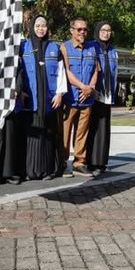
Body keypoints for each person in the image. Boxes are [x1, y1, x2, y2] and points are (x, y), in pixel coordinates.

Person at [20, 15, 67, 180]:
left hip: (50, 102)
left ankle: (48, 170)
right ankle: (30, 171)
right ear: (32, 27)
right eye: (38, 25)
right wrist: (20, 91)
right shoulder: (23, 47)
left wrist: (60, 93)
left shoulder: (54, 47)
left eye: (44, 26)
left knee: (49, 136)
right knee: (31, 137)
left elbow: (61, 72)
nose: (41, 29)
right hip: (30, 102)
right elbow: (17, 71)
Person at [60, 18, 98, 177]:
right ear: (72, 30)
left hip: (87, 100)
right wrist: (83, 87)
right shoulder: (65, 47)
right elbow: (66, 72)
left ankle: (79, 163)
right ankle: (62, 163)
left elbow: (95, 71)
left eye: (85, 29)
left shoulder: (92, 48)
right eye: (79, 29)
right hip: (70, 99)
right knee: (65, 134)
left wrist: (90, 88)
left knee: (82, 133)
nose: (82, 32)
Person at [88, 21, 117, 174]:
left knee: (104, 128)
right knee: (92, 127)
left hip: (107, 94)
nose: (106, 33)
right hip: (94, 93)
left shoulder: (112, 50)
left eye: (109, 30)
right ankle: (90, 161)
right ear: (98, 31)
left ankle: (102, 161)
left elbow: (114, 72)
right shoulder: (91, 46)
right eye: (103, 30)